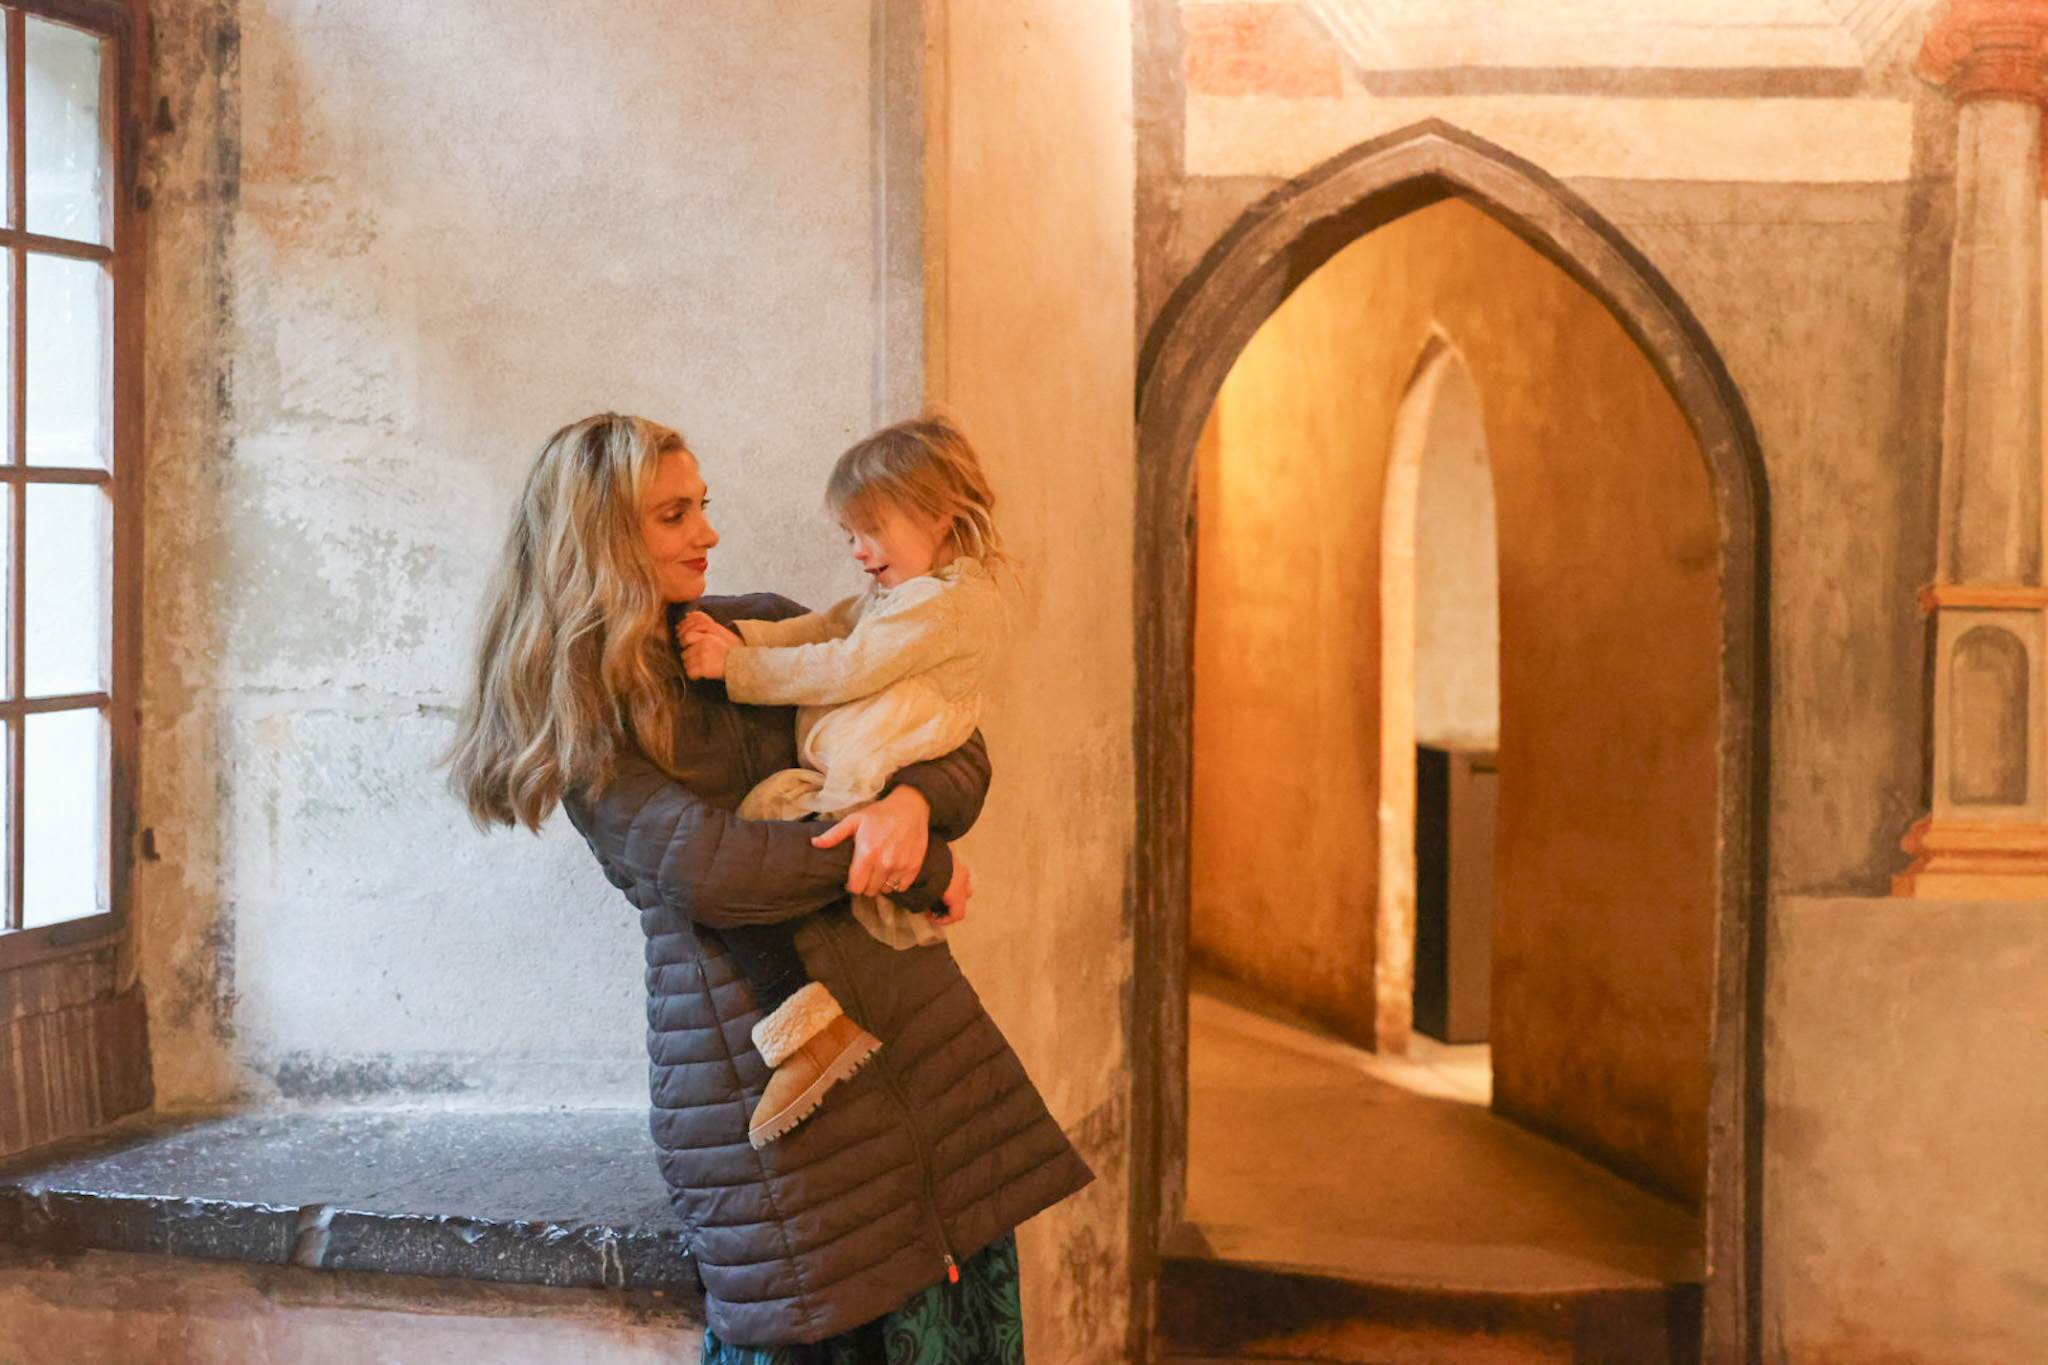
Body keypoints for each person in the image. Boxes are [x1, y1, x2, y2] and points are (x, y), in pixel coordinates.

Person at [445, 413, 1090, 1361]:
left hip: (918, 1043)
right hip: (773, 1083)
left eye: (702, 507)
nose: (707, 532)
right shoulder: (584, 715)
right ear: (602, 534)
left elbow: (952, 732)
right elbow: (717, 869)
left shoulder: (760, 628)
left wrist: (910, 803)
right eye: (673, 515)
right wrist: (916, 854)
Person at [674, 414, 1009, 1148]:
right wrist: (746, 641)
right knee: (764, 838)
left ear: (937, 515)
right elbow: (829, 626)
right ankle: (809, 1021)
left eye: (870, 530)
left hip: (860, 780)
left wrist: (733, 666)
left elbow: (845, 663)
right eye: (848, 534)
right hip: (843, 779)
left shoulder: (950, 604)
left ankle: (807, 1026)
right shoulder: (909, 593)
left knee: (769, 862)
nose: (858, 552)